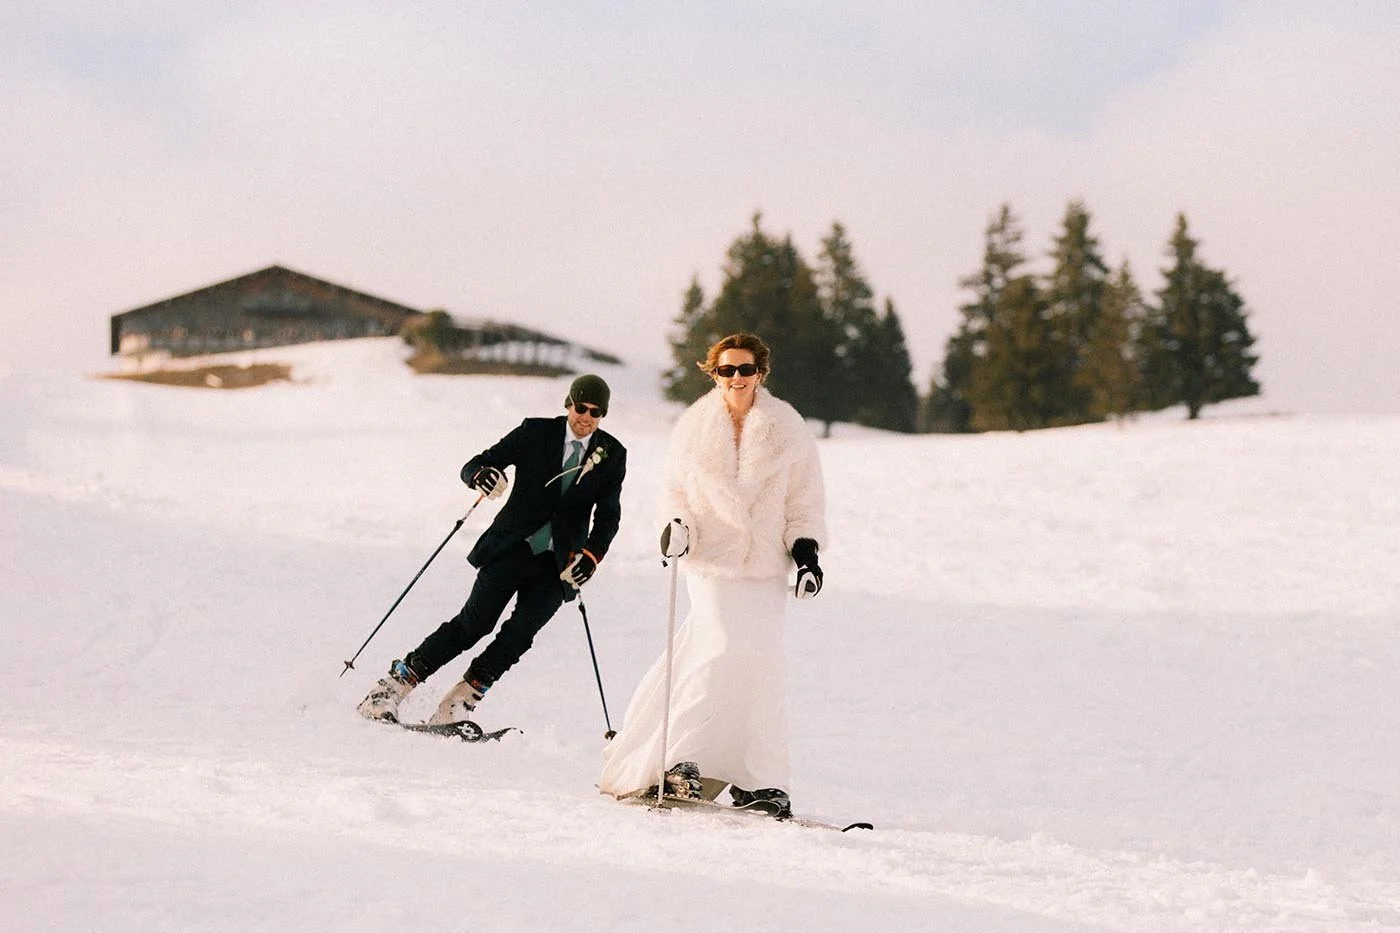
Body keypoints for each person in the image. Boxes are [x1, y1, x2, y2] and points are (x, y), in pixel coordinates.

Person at [598, 333, 826, 818]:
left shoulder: (789, 428)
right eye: (727, 371)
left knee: (762, 663)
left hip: (765, 565)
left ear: (761, 372)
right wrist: (676, 526)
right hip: (711, 560)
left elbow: (803, 501)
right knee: (717, 648)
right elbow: (674, 494)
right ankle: (681, 760)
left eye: (746, 370)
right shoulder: (693, 429)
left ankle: (759, 781)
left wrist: (807, 554)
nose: (737, 379)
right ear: (714, 373)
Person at [358, 374, 627, 725]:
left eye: (595, 412)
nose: (586, 417)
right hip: (511, 548)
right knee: (473, 625)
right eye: (581, 408)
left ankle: (457, 704)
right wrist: (483, 475)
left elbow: (608, 517)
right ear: (568, 404)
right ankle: (390, 688)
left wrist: (590, 557)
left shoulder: (612, 454)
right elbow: (476, 464)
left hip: (558, 566)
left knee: (519, 637)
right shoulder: (534, 432)